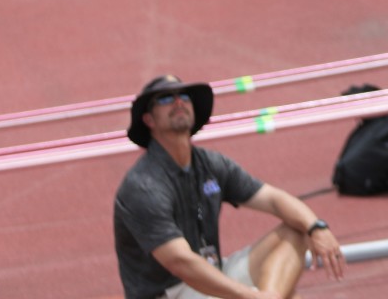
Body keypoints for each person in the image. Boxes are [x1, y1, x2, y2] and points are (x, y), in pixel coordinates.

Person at [114, 74, 344, 299]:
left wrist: (317, 227)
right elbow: (180, 262)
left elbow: (274, 199)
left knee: (297, 228)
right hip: (172, 291)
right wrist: (247, 295)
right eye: (165, 98)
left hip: (214, 272)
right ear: (149, 120)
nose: (178, 102)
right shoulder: (143, 186)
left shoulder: (211, 164)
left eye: (184, 96)